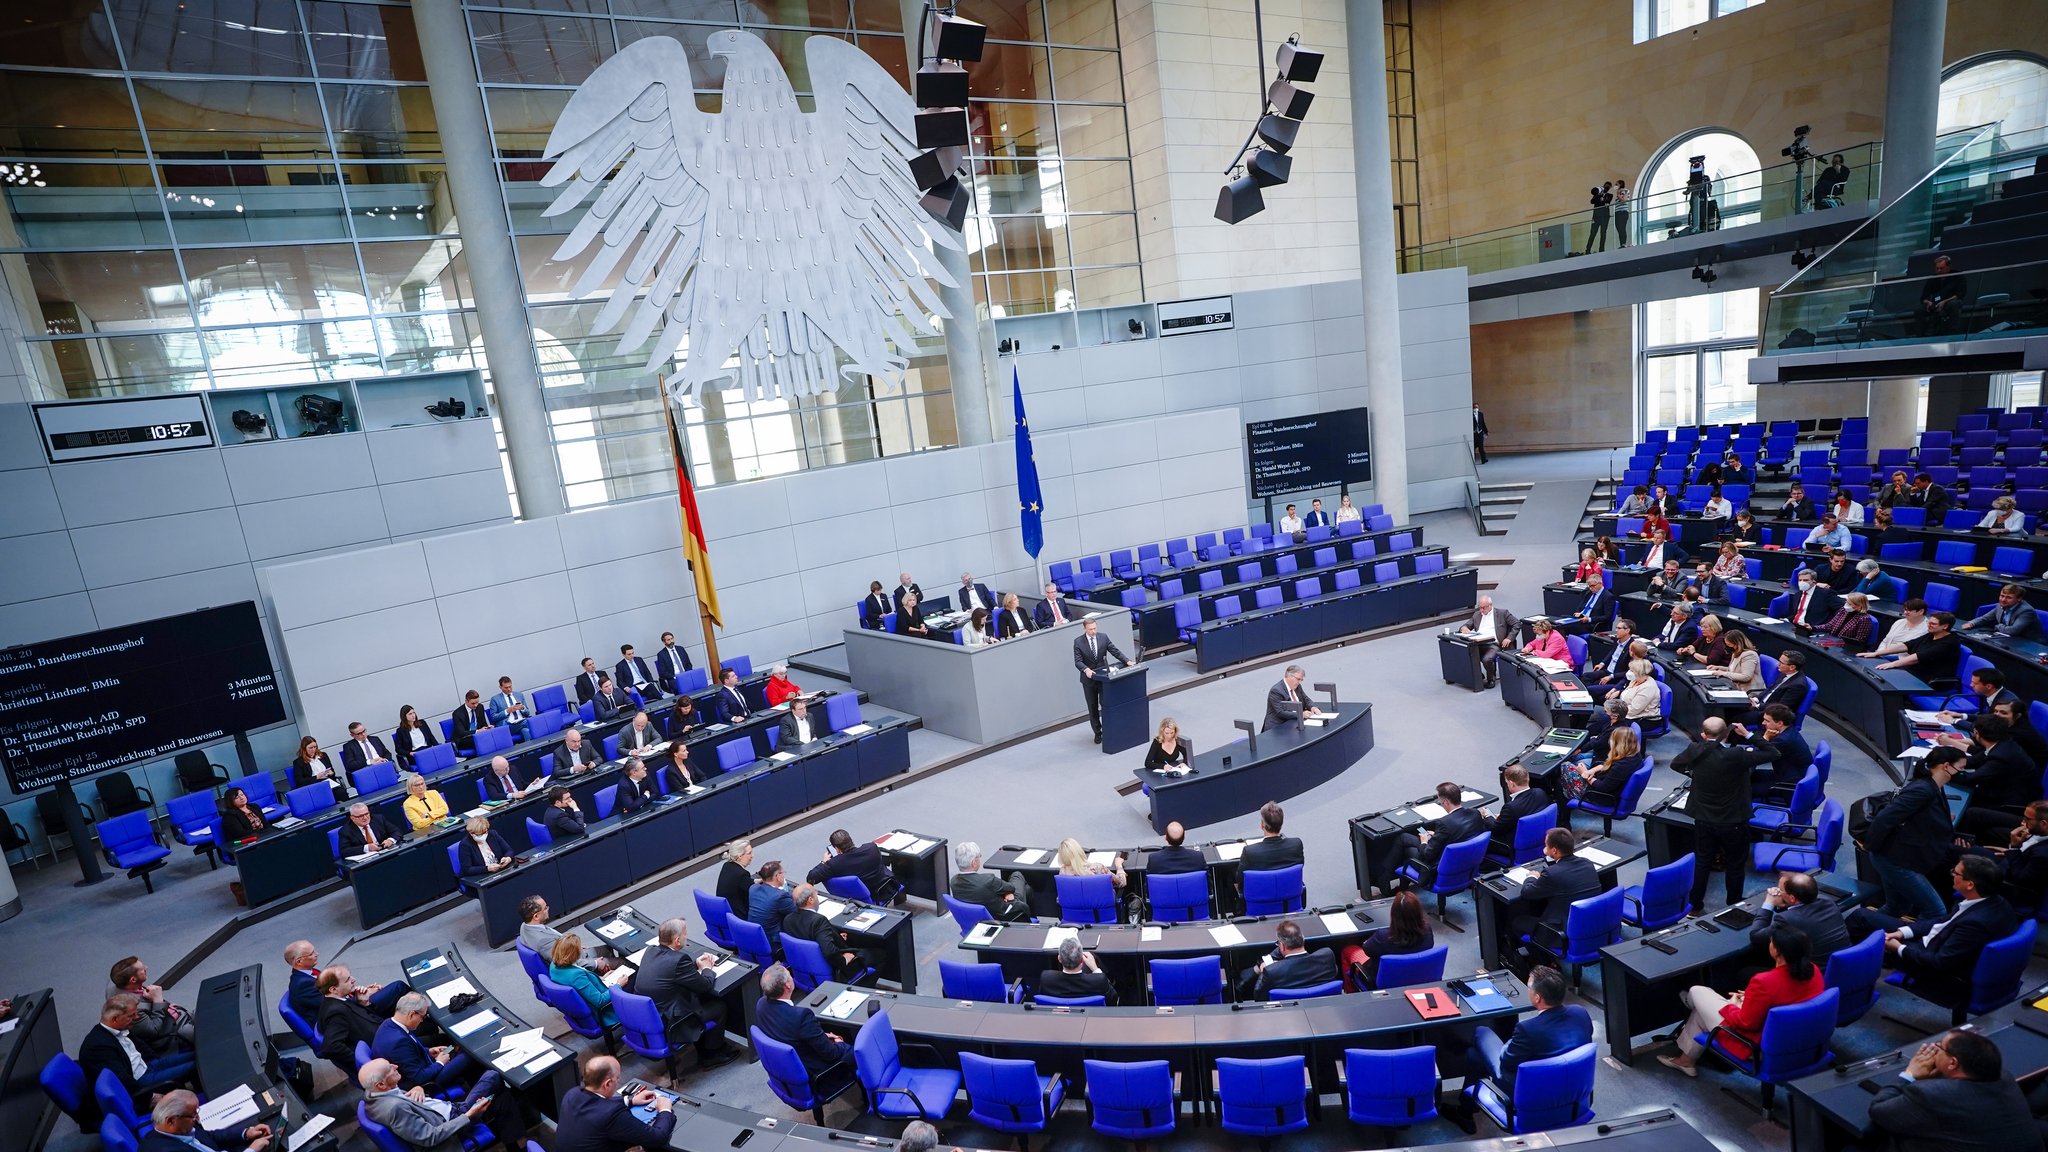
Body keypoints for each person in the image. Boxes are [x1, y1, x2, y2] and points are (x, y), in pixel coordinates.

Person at [1655, 924, 1826, 1077]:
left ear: (1776, 951)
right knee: (1700, 1012)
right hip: (1800, 1039)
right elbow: (1787, 1001)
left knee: (1697, 991)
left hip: (1759, 1046)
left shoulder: (1764, 981)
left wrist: (1733, 1005)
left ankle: (1689, 1001)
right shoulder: (1814, 971)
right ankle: (1685, 1061)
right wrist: (1752, 1000)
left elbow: (1746, 1023)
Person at [1451, 967, 1591, 1133]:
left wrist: (1511, 1042)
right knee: (1474, 1056)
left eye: (1529, 987)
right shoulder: (1581, 1013)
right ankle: (1465, 1109)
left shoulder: (1528, 1029)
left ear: (1537, 997)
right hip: (1572, 1091)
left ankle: (1465, 1111)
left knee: (1481, 1035)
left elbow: (1506, 1063)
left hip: (1530, 1098)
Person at [1877, 855, 2021, 1009]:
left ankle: (1859, 981)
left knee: (1868, 931)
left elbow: (1938, 962)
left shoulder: (1975, 924)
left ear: (1970, 884)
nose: (1952, 874)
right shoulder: (1992, 901)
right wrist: (1902, 932)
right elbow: (1943, 921)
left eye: (1956, 873)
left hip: (1935, 968)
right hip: (1938, 943)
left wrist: (1898, 948)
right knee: (1863, 918)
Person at [1869, 1030, 2039, 1152]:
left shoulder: (1930, 1095)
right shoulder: (2004, 1077)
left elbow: (1879, 1111)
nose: (1934, 1049)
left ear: (1952, 1063)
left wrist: (1909, 1074)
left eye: (1939, 1047)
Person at [1672, 717, 1780, 910]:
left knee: (1703, 862)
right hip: (1734, 821)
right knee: (1735, 865)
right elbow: (1773, 752)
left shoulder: (1695, 750)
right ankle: (1733, 904)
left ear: (1703, 734)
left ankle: (1695, 905)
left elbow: (1676, 765)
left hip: (1704, 818)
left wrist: (1694, 775)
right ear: (1727, 733)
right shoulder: (1737, 754)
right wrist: (1747, 734)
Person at [1852, 747, 1966, 927]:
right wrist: (1870, 846)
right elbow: (1885, 819)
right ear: (1946, 766)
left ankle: (1864, 931)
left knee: (1896, 906)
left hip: (1899, 855)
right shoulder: (1922, 790)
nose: (1962, 772)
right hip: (1895, 860)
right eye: (1960, 768)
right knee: (1935, 911)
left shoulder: (1933, 786)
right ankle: (1909, 945)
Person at [360, 1057, 517, 1152]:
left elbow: (406, 1105)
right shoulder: (394, 1108)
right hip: (453, 1123)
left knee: (503, 1099)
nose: (395, 1066)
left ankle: (513, 1144)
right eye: (390, 1069)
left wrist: (417, 1087)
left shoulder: (373, 1094)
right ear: (381, 1084)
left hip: (441, 1112)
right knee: (492, 1076)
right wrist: (468, 1116)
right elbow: (431, 1137)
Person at [636, 918, 735, 1066]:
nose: (686, 937)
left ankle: (706, 1045)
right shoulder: (679, 959)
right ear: (676, 940)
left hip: (652, 1015)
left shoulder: (651, 950)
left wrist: (695, 964)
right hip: (672, 1021)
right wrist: (707, 968)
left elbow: (671, 971)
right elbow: (705, 986)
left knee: (697, 998)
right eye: (685, 934)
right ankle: (711, 1055)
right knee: (719, 1007)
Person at [82, 993, 198, 1109]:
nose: (136, 1017)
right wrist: (150, 1097)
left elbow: (142, 1048)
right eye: (132, 1015)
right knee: (194, 1066)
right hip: (139, 1081)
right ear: (115, 1019)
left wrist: (161, 1063)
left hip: (148, 1066)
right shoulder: (98, 1048)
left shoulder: (120, 1027)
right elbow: (122, 1080)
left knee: (196, 1055)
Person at [1382, 783, 1492, 892]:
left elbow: (1427, 854)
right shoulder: (1475, 813)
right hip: (1466, 864)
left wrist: (1424, 842)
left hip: (1438, 870)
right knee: (1406, 838)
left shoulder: (1444, 823)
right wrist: (1437, 835)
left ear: (1446, 802)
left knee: (1404, 841)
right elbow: (1460, 834)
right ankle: (1396, 885)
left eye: (1440, 801)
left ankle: (1385, 882)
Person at [556, 1055, 676, 1152]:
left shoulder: (572, 1094)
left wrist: (630, 1100)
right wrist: (665, 1109)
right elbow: (657, 1138)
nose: (619, 1081)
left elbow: (596, 1103)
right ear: (608, 1084)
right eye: (618, 1078)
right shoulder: (612, 1114)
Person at [1506, 828, 1600, 953]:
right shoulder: (1587, 863)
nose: (1545, 847)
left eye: (1546, 845)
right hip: (1591, 923)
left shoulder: (1552, 874)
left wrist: (1532, 877)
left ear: (1554, 850)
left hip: (1561, 932)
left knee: (1518, 922)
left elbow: (1527, 893)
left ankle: (1543, 961)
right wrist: (1551, 858)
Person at [756, 964, 853, 1081]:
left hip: (791, 1065)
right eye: (789, 975)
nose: (792, 977)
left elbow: (791, 1031)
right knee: (858, 1049)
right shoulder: (801, 1016)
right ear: (787, 985)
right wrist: (839, 1042)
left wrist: (822, 1036)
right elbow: (831, 1054)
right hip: (816, 1072)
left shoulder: (761, 1004)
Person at [1951, 715, 2036, 839]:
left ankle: (1962, 841)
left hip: (2009, 803)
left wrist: (1943, 771)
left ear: (1977, 733)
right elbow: (1972, 761)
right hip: (2005, 792)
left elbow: (1970, 779)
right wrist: (1946, 761)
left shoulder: (2000, 756)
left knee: (1972, 813)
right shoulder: (2002, 744)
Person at [373, 992, 476, 1093]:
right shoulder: (399, 1043)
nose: (422, 1021)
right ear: (412, 1014)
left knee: (453, 1047)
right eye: (422, 1017)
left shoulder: (388, 1024)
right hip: (425, 1083)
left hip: (423, 1064)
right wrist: (440, 1063)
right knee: (469, 1054)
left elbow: (408, 1054)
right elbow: (418, 1078)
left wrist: (429, 1051)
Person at [1751, 871, 1852, 962]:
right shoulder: (1828, 901)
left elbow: (1756, 936)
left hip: (1819, 975)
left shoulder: (1787, 919)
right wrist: (1785, 903)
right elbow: (1799, 908)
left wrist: (1768, 903)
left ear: (1792, 898)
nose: (1778, 892)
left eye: (1780, 890)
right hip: (1844, 963)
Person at [108, 957, 192, 1057]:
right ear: (133, 979)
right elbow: (154, 1031)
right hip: (175, 1032)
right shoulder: (132, 1009)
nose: (146, 967)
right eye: (143, 969)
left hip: (176, 1015)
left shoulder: (122, 984)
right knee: (208, 1032)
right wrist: (158, 1001)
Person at [140, 1091, 272, 1152]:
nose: (197, 1119)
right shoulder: (166, 1150)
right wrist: (252, 1149)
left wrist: (246, 1133)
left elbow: (209, 1136)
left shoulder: (180, 1128)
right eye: (193, 1116)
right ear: (171, 1121)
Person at [1241, 919, 1340, 1000]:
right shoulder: (1327, 956)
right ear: (1303, 939)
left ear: (1282, 946)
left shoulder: (1271, 971)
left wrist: (1264, 971)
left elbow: (1258, 998)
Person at [1354, 889, 1434, 988]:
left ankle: (1352, 993)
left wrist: (1366, 942)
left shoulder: (1382, 936)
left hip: (1384, 983)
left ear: (1394, 914)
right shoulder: (1427, 930)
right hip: (1418, 977)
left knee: (1349, 951)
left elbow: (1367, 950)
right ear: (1418, 912)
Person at [313, 966, 388, 1073]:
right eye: (348, 979)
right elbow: (331, 1047)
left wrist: (364, 1003)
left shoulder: (341, 999)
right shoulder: (335, 1012)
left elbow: (367, 1019)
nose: (354, 979)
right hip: (383, 1048)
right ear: (333, 989)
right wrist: (366, 1065)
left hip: (384, 1033)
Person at [1073, 616, 1134, 744]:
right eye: (1090, 629)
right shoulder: (1078, 642)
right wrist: (1086, 669)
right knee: (1093, 707)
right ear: (1085, 629)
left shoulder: (1103, 637)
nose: (1093, 631)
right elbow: (1078, 662)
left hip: (1103, 678)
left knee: (1105, 704)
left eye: (1095, 628)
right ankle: (1098, 732)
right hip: (1089, 680)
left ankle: (1109, 729)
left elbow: (1115, 651)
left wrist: (1127, 661)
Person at [1735, 704, 1812, 799]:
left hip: (1788, 784)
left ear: (1779, 723)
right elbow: (1759, 739)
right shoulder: (1786, 731)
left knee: (1740, 789)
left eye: (1767, 721)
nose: (1763, 723)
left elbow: (1756, 756)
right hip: (1783, 774)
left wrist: (1764, 738)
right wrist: (1762, 739)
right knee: (1745, 778)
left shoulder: (1784, 740)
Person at [807, 827, 901, 903]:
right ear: (851, 840)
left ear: (837, 849)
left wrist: (823, 862)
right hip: (887, 887)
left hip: (860, 898)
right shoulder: (871, 848)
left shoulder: (834, 863)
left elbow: (811, 878)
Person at [1564, 726, 1643, 812]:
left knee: (1565, 766)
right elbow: (1609, 765)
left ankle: (1562, 817)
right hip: (1606, 788)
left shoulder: (1622, 766)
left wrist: (1585, 774)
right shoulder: (1635, 755)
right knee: (1563, 775)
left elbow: (1603, 787)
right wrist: (1592, 770)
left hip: (1600, 797)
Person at [548, 935, 619, 1029]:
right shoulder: (576, 976)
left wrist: (602, 978)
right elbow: (600, 1001)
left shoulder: (553, 965)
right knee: (633, 979)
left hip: (596, 992)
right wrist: (618, 985)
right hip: (606, 1012)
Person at [951, 840, 1032, 921]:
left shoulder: (953, 881)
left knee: (1027, 890)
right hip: (1004, 916)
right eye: (979, 856)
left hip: (976, 919)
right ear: (974, 862)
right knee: (1017, 875)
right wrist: (1007, 893)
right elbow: (1011, 888)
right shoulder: (988, 880)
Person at [1877, 611, 1962, 681]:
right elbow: (1907, 645)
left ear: (1945, 626)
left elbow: (1919, 657)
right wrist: (1876, 653)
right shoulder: (1931, 634)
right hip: (1915, 671)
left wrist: (1893, 664)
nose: (1929, 625)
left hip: (1930, 679)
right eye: (1929, 622)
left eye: (1933, 624)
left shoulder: (1950, 642)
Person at [1457, 595, 1519, 688]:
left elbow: (1517, 624)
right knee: (1463, 653)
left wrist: (1509, 638)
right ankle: (1478, 675)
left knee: (1487, 659)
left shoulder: (1502, 613)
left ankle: (1491, 679)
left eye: (1483, 608)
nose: (1481, 610)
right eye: (1480, 607)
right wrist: (1463, 628)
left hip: (1495, 644)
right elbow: (1466, 625)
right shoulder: (1477, 615)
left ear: (1490, 605)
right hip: (1478, 643)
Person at [1037, 937, 1115, 1003]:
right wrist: (1095, 969)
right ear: (1082, 960)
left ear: (1059, 959)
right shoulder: (1099, 980)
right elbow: (1113, 999)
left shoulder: (1046, 978)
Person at [1056, 836, 1128, 904]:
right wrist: (1119, 866)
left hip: (1074, 915)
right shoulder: (1098, 868)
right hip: (1100, 915)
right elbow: (1121, 882)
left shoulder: (1062, 872)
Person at [1241, 800, 1307, 872]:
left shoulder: (1249, 852)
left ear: (1262, 825)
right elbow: (1300, 865)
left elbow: (1240, 878)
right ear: (1281, 823)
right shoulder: (1296, 844)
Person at [1583, 622, 1638, 701]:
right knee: (1586, 676)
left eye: (1619, 628)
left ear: (1627, 630)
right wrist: (1602, 663)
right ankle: (1588, 698)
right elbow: (1612, 653)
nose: (1616, 630)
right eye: (1616, 628)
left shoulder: (1632, 648)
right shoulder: (1618, 640)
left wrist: (1611, 676)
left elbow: (1629, 671)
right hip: (1607, 670)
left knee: (1591, 689)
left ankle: (1590, 698)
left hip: (1616, 676)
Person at [1966, 584, 2042, 640]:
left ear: (2019, 599)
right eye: (2002, 596)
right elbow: (1985, 618)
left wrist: (1998, 626)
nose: (2003, 600)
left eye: (2009, 597)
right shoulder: (2000, 605)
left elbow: (2013, 630)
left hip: (2029, 643)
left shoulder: (2026, 611)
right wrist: (1971, 623)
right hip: (2010, 639)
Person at [289, 736, 348, 806]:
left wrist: (331, 773)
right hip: (313, 785)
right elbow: (299, 781)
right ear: (304, 748)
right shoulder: (298, 762)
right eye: (310, 748)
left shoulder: (323, 755)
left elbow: (332, 771)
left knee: (341, 792)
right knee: (325, 795)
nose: (313, 749)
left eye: (315, 747)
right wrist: (316, 777)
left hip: (328, 782)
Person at [1864, 596, 1932, 656]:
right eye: (1905, 609)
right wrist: (1879, 653)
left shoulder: (1927, 629)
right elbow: (1885, 641)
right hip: (1883, 655)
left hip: (1902, 660)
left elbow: (1914, 652)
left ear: (1921, 611)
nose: (1905, 613)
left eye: (1909, 610)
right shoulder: (1899, 622)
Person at [1918, 255, 1967, 335]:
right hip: (1935, 302)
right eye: (1937, 268)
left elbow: (1961, 293)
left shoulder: (1958, 276)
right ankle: (1921, 335)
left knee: (1953, 304)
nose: (1939, 271)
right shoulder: (1932, 279)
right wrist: (1927, 302)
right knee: (1919, 310)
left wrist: (1944, 301)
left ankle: (1954, 332)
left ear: (1948, 267)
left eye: (1941, 268)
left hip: (1950, 301)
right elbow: (1924, 296)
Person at [1263, 664, 1322, 730]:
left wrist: (1313, 707)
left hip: (1294, 722)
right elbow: (1280, 712)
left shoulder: (1297, 686)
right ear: (1290, 676)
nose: (1299, 682)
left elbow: (1305, 699)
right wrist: (1301, 714)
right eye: (1298, 679)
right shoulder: (1276, 691)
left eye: (1301, 680)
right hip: (1278, 727)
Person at [747, 859, 796, 937]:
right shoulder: (780, 896)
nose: (784, 876)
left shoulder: (753, 888)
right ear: (777, 876)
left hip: (753, 937)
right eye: (783, 873)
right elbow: (798, 912)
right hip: (773, 942)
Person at [393, 704, 440, 769]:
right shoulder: (400, 731)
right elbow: (398, 749)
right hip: (415, 754)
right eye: (410, 714)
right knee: (431, 760)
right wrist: (410, 753)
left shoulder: (422, 723)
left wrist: (438, 748)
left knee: (439, 755)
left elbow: (431, 737)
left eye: (414, 713)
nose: (413, 715)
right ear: (404, 716)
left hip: (427, 750)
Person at [1618, 659, 1662, 726]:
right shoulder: (1635, 680)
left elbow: (1634, 710)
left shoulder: (1648, 688)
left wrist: (1616, 712)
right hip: (1627, 713)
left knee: (1607, 723)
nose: (1629, 672)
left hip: (1643, 720)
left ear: (1640, 672)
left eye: (1632, 671)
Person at [717, 839, 755, 914]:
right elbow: (755, 893)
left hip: (726, 913)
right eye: (749, 853)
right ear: (739, 856)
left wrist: (755, 881)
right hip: (739, 917)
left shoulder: (726, 866)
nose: (752, 855)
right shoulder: (742, 874)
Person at [487, 676, 531, 741]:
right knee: (530, 722)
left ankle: (532, 750)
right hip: (508, 725)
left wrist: (522, 708)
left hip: (521, 722)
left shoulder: (519, 695)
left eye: (510, 686)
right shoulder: (495, 699)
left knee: (526, 731)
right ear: (500, 687)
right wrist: (507, 711)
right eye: (506, 687)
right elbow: (493, 718)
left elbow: (527, 713)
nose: (509, 689)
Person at [1585, 180, 1611, 252]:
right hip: (1596, 216)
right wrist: (1599, 195)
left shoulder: (1609, 195)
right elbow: (1592, 201)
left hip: (1605, 216)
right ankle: (1588, 249)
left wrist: (1602, 198)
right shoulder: (1597, 194)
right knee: (1593, 233)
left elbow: (1607, 201)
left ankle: (1601, 249)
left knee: (1603, 233)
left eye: (1608, 187)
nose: (1606, 188)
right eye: (1605, 186)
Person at [1612, 177, 1631, 245]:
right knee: (1619, 228)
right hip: (1617, 212)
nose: (1615, 185)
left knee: (1622, 227)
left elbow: (1624, 200)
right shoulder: (1619, 192)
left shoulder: (1625, 191)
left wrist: (1618, 194)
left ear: (1620, 184)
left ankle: (1623, 243)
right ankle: (1621, 243)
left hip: (1622, 212)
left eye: (1616, 184)